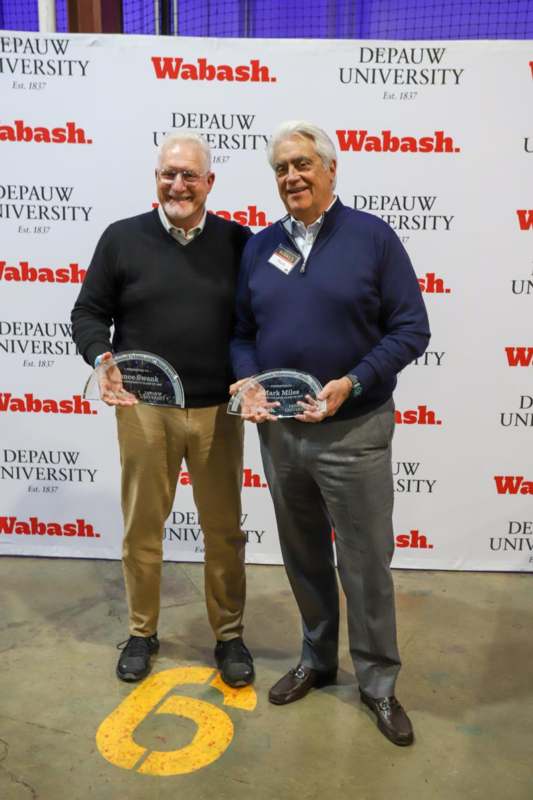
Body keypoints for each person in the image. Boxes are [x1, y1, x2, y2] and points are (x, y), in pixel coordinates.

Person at [230, 120, 430, 745]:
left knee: (366, 564)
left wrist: (355, 380)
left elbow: (411, 329)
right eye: (282, 168)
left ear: (331, 169)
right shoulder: (261, 248)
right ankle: (316, 659)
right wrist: (248, 382)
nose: (292, 176)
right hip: (283, 437)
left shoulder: (373, 238)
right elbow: (241, 333)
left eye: (303, 164)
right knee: (304, 555)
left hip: (355, 431)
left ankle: (378, 684)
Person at [71, 133, 254, 687]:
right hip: (144, 408)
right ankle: (142, 631)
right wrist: (102, 358)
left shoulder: (238, 242)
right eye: (168, 174)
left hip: (219, 410)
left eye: (189, 175)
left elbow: (255, 320)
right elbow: (87, 313)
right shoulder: (121, 239)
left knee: (223, 530)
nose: (178, 185)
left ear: (209, 183)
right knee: (143, 528)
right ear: (156, 179)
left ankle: (229, 636)